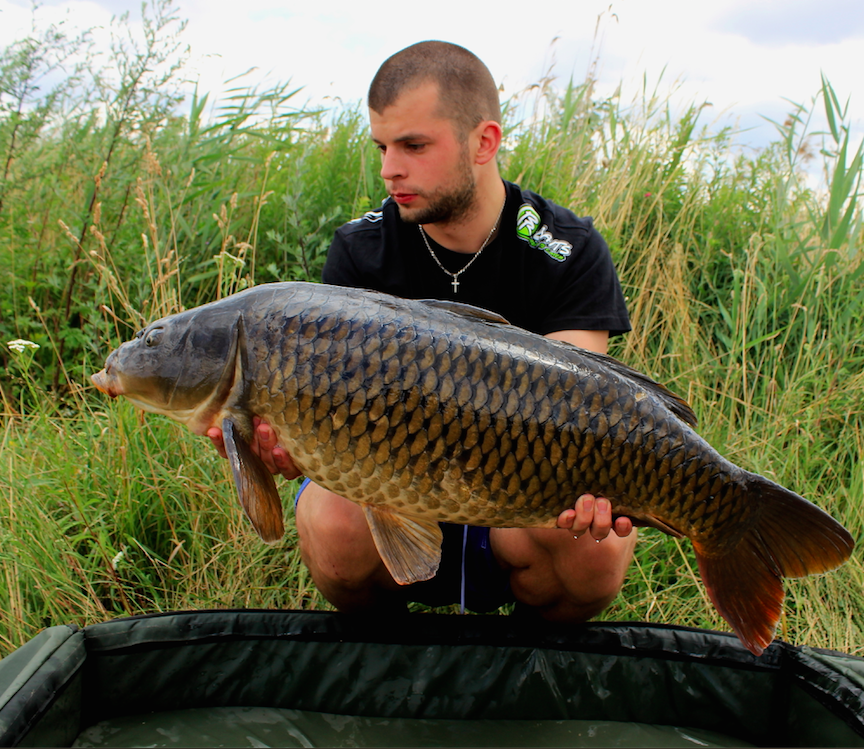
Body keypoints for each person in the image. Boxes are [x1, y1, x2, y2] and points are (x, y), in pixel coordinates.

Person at [210, 40, 636, 622]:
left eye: (413, 146)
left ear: (483, 142)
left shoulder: (567, 250)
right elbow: (328, 419)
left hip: (516, 503)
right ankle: (395, 670)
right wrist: (293, 449)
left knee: (597, 545)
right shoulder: (359, 252)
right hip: (391, 500)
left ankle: (528, 670)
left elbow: (577, 412)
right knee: (332, 522)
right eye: (382, 146)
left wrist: (594, 489)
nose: (389, 169)